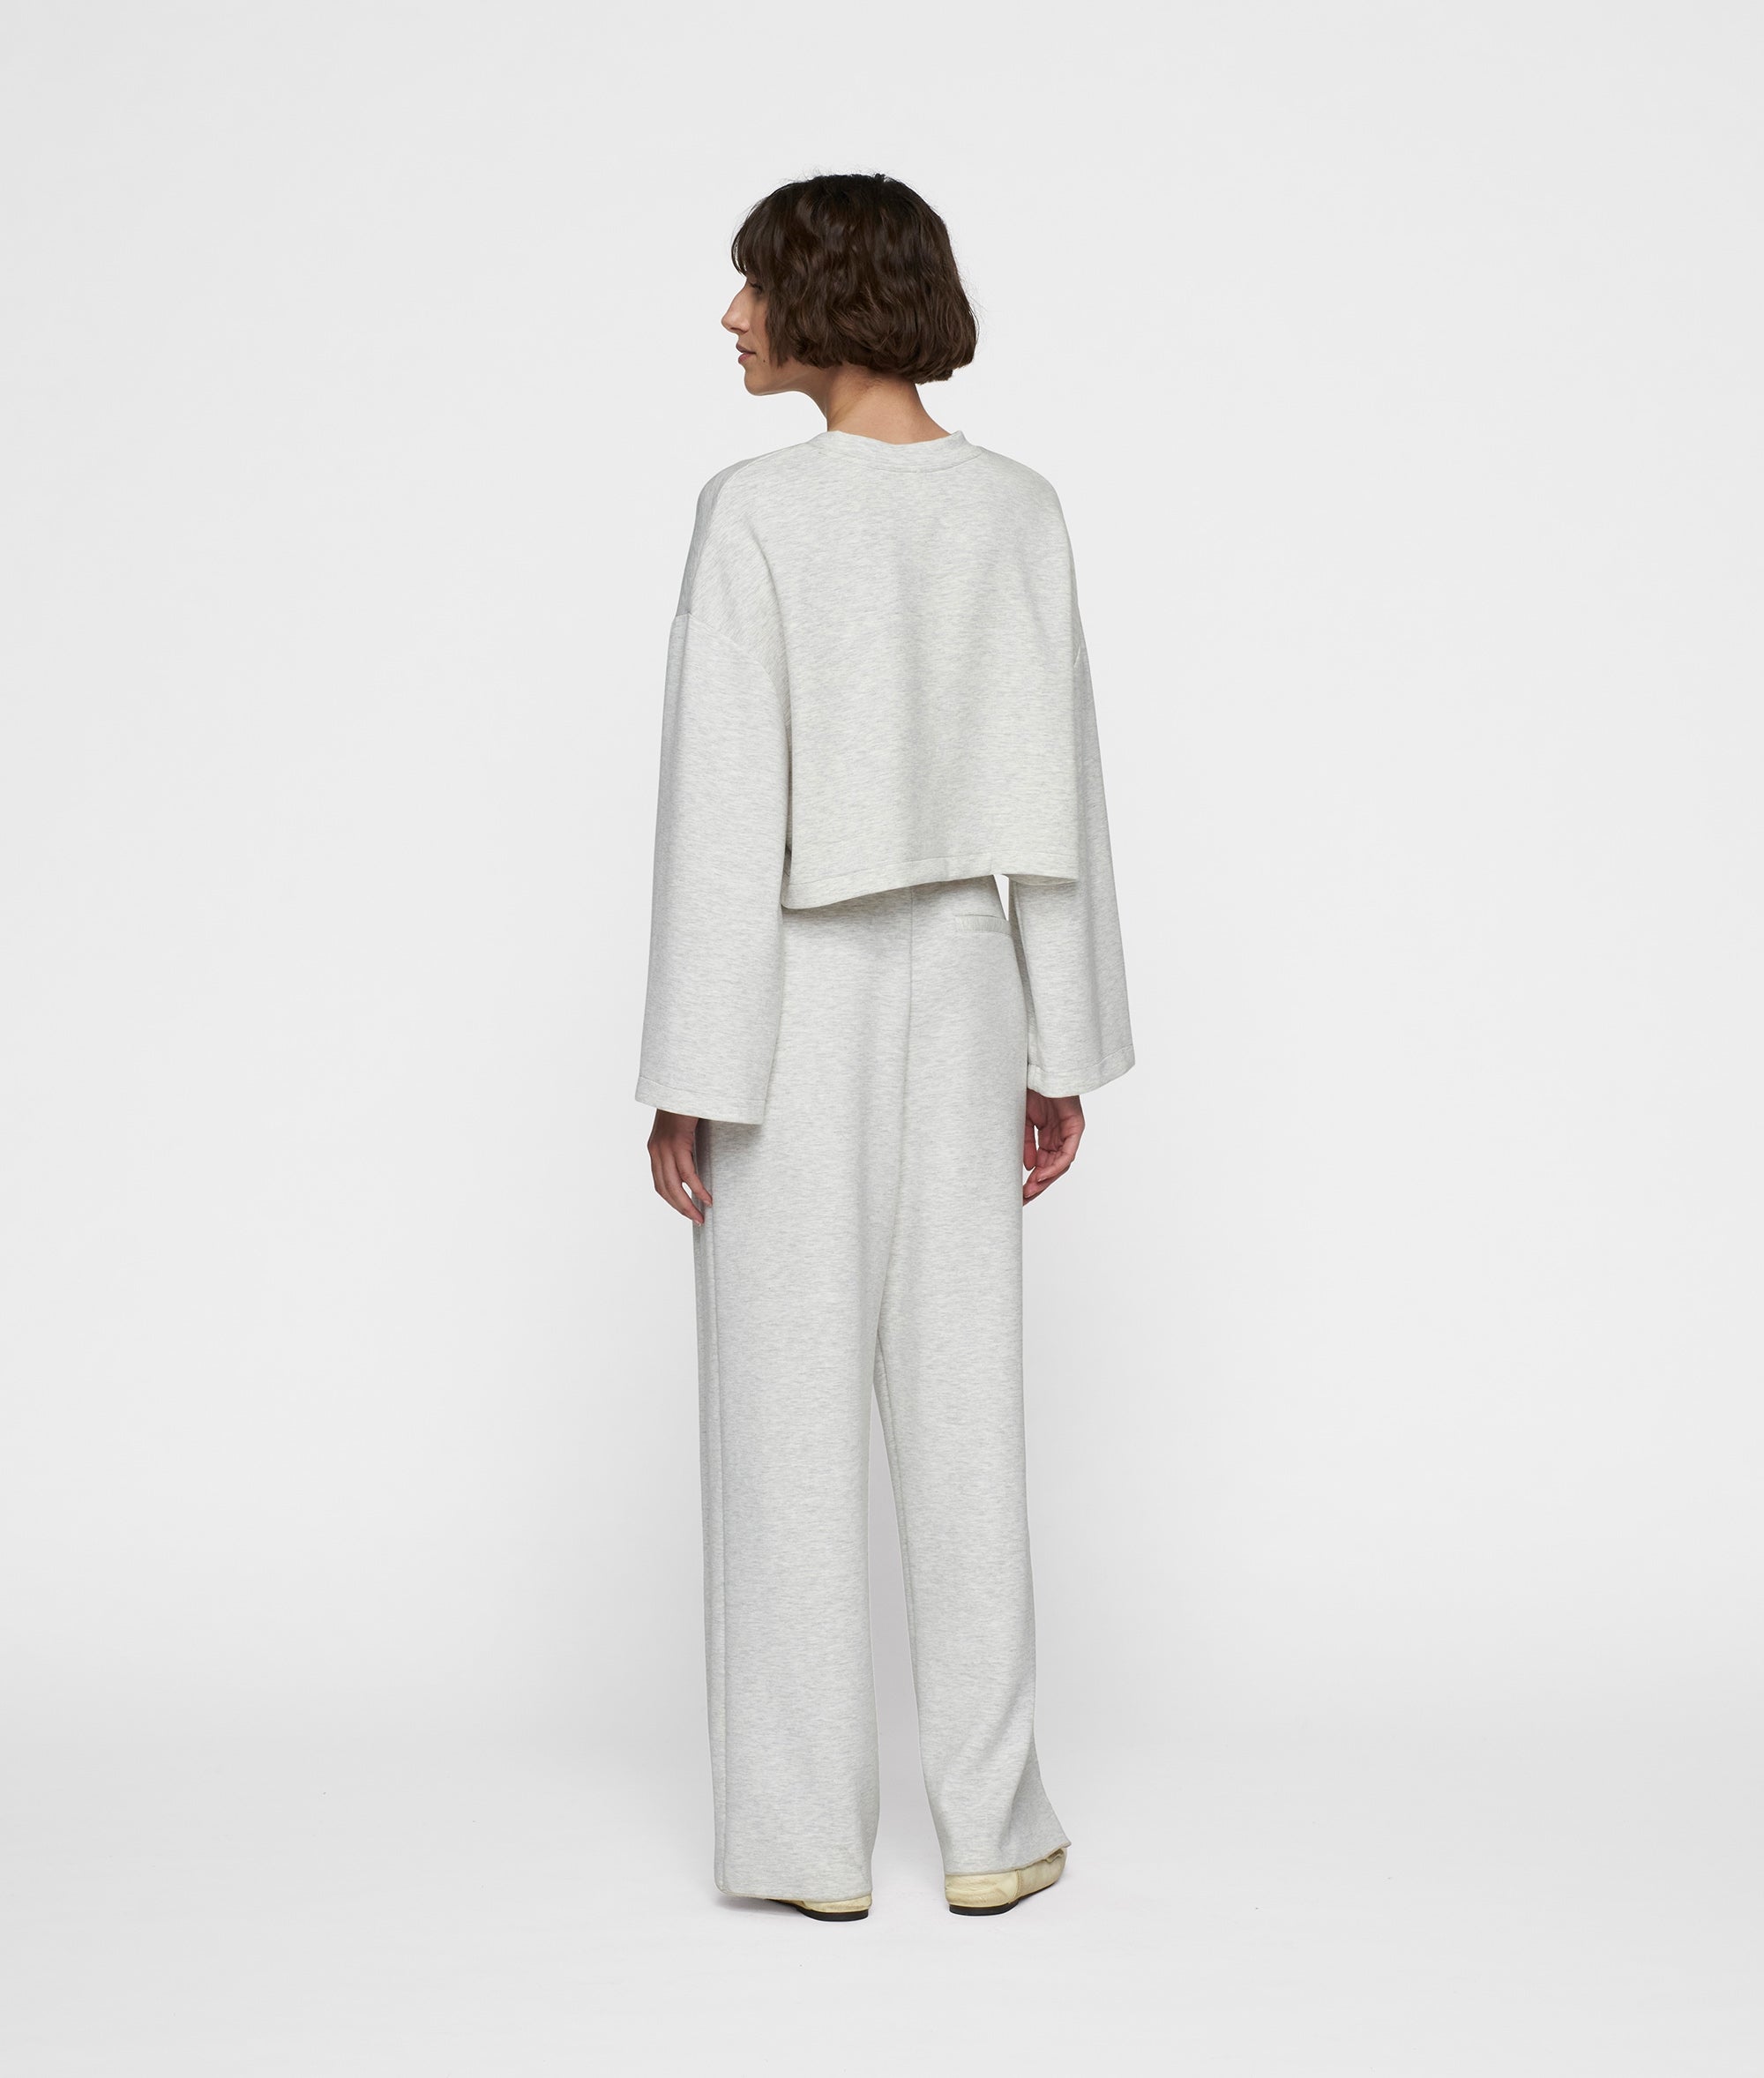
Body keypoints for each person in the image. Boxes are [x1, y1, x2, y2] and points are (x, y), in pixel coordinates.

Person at [635, 173, 1133, 1921]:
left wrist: (692, 1072)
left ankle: (804, 1847)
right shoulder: (1018, 509)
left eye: (753, 283)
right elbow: (1060, 796)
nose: (731, 316)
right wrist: (1059, 1041)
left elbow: (723, 810)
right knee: (966, 1412)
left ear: (825, 294)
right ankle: (994, 1824)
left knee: (786, 1428)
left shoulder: (755, 512)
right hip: (971, 971)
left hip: (793, 994)